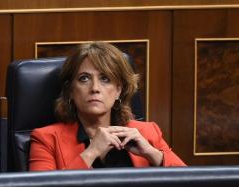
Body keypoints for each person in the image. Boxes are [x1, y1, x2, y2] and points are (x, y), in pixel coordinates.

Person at [29, 42, 185, 171]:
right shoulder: (46, 139)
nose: (95, 88)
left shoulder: (148, 132)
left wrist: (152, 154)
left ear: (118, 90)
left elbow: (189, 185)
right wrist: (90, 153)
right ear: (70, 90)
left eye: (105, 79)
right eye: (84, 78)